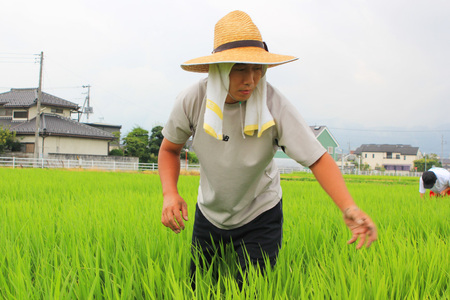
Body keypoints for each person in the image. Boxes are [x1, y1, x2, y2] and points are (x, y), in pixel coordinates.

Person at [158, 10, 377, 288]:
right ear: (219, 67)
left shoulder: (274, 105)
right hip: (209, 213)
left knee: (248, 290)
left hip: (260, 214)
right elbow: (169, 150)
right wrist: (170, 193)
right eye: (240, 68)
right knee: (199, 287)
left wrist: (349, 207)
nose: (251, 79)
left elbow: (317, 158)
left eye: (257, 68)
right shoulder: (192, 100)